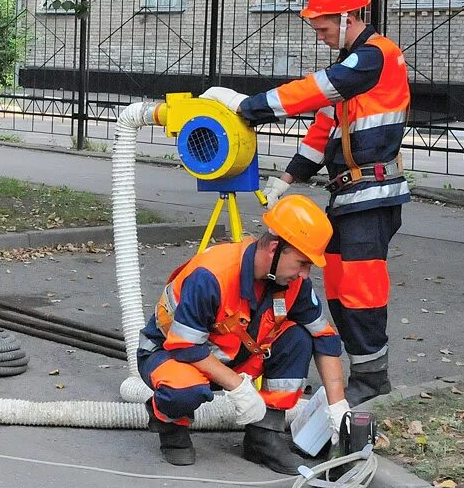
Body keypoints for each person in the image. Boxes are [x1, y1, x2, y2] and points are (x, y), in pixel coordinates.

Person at [202, 0, 410, 404]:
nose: (320, 37)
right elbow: (323, 132)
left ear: (348, 16)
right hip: (352, 195)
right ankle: (361, 378)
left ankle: (372, 381)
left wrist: (249, 107)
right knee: (338, 289)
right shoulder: (355, 69)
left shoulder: (373, 57)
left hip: (371, 194)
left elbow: (314, 92)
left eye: (323, 28)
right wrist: (289, 178)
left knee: (359, 292)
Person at [138, 195, 350, 471]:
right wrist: (238, 387)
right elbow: (185, 345)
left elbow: (325, 338)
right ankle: (169, 423)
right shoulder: (212, 274)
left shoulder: (292, 284)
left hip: (232, 357)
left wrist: (338, 408)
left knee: (298, 337)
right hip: (170, 355)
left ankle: (264, 436)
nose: (305, 275)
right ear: (275, 248)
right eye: (302, 263)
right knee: (184, 390)